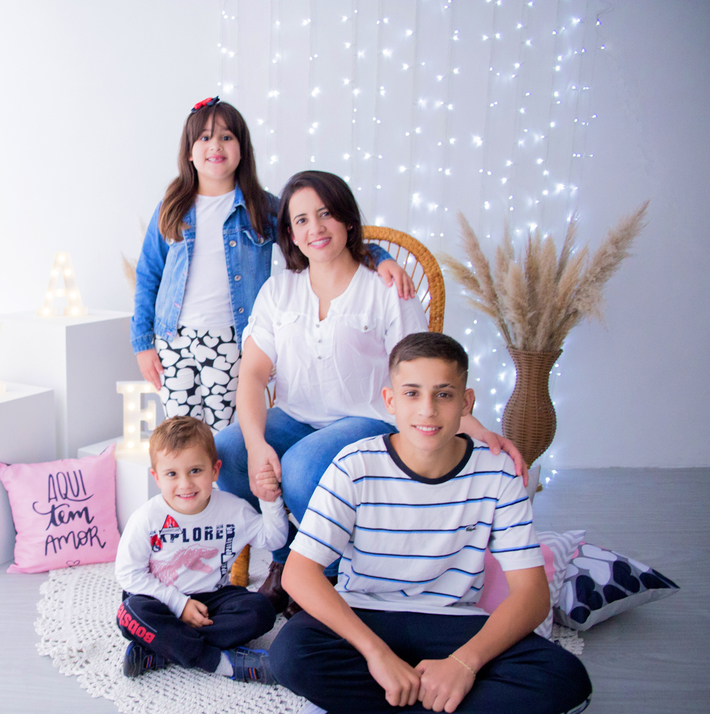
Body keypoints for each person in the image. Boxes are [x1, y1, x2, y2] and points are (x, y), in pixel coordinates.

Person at [255, 332, 591, 714]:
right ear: (390, 401)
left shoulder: (497, 472)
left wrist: (465, 665)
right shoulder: (355, 463)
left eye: (444, 394)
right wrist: (376, 655)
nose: (428, 410)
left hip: (454, 621)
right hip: (368, 613)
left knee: (565, 679)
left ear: (466, 401)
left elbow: (532, 597)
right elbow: (299, 574)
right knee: (291, 656)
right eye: (412, 394)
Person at [214, 170, 526, 612]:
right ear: (289, 233)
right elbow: (252, 374)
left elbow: (422, 368)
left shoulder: (385, 288)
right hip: (295, 416)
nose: (315, 228)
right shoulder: (278, 290)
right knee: (225, 452)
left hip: (364, 420)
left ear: (346, 220)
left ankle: (324, 574)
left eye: (325, 214)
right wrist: (255, 442)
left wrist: (471, 424)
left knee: (303, 471)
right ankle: (287, 565)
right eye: (301, 220)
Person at [131, 100, 412, 431]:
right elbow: (148, 273)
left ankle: (222, 486)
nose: (215, 146)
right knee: (181, 435)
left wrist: (377, 256)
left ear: (242, 150)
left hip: (230, 340)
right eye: (204, 138)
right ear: (189, 153)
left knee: (223, 435)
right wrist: (143, 343)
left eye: (226, 137)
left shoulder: (260, 207)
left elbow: (318, 238)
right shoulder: (172, 207)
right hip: (173, 339)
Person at [114, 416, 289, 682]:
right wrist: (179, 604)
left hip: (212, 600)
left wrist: (270, 500)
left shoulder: (233, 509)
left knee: (261, 610)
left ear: (215, 470)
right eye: (172, 474)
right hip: (160, 600)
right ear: (156, 477)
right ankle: (217, 661)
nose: (185, 484)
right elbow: (128, 575)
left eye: (195, 470)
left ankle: (163, 649)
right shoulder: (146, 518)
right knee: (129, 613)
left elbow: (273, 541)